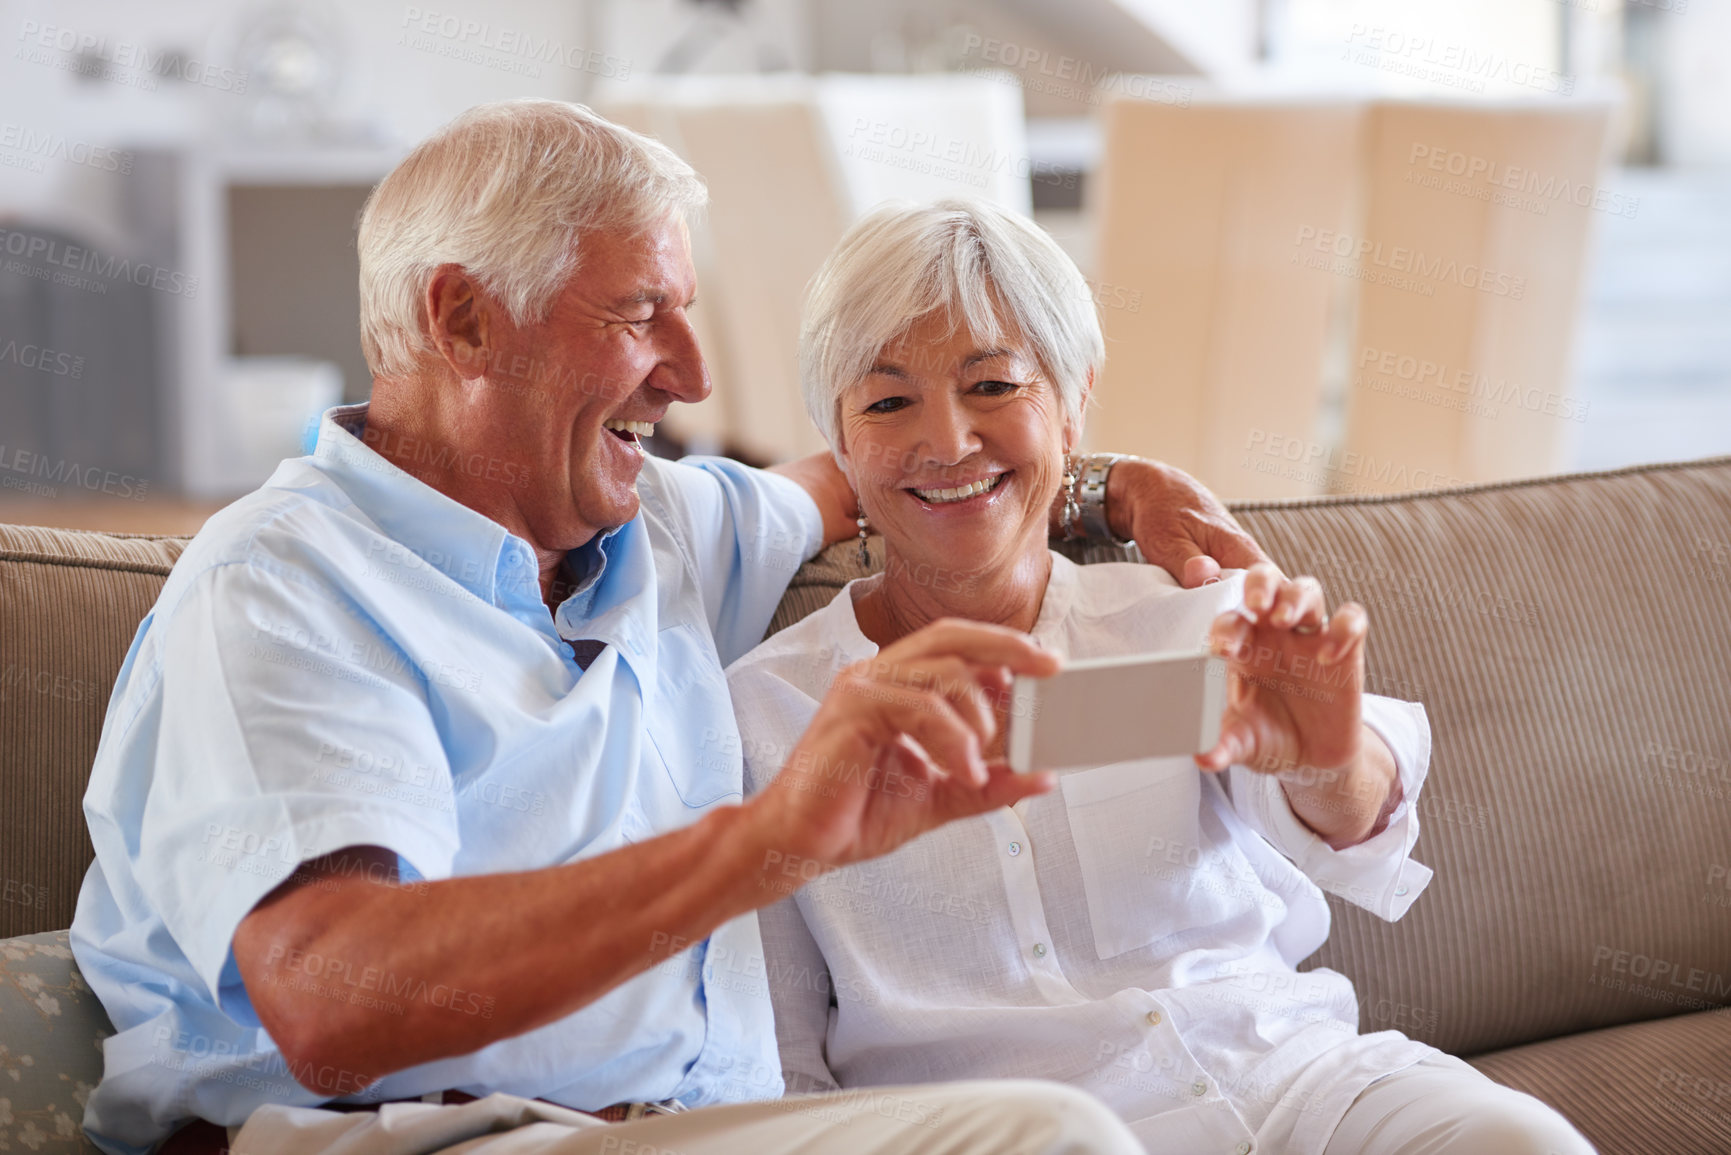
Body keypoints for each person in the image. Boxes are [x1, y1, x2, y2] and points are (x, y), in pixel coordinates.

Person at [69, 102, 1266, 1155]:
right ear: (465, 321)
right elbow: (336, 1006)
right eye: (642, 315)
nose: (691, 376)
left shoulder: (662, 529)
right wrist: (766, 843)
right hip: (424, 1138)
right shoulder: (284, 585)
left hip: (706, 1131)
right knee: (1048, 1141)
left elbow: (871, 471)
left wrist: (1097, 485)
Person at [727, 199, 1599, 1155]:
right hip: (1018, 1135)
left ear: (1071, 403)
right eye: (888, 402)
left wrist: (1320, 759)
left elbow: (1353, 819)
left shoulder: (1182, 615)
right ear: (841, 445)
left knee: (1518, 1140)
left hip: (1292, 1083)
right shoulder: (766, 714)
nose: (947, 440)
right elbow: (778, 1057)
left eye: (992, 385)